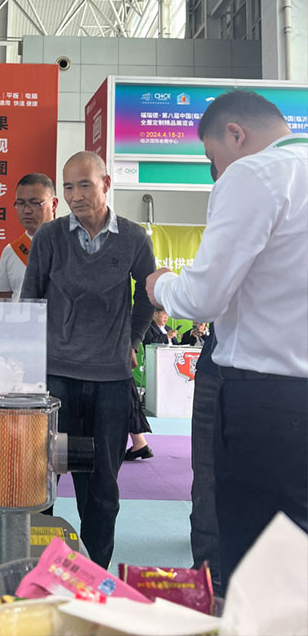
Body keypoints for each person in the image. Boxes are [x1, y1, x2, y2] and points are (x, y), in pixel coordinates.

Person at [146, 90, 308, 590]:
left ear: (235, 134)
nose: (215, 173)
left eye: (212, 159)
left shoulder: (255, 173)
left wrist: (160, 285)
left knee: (255, 564)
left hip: (267, 403)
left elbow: (202, 298)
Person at [21, 150, 155, 568]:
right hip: (54, 378)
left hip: (112, 381)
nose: (76, 195)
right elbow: (30, 299)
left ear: (106, 184)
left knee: (101, 488)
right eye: (68, 187)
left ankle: (95, 572)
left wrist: (132, 339)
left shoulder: (134, 237)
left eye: (84, 185)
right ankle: (36, 569)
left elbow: (148, 295)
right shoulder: (49, 237)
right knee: (39, 480)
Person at [189, 327, 223, 597]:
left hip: (278, 377)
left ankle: (208, 580)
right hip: (214, 368)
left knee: (206, 482)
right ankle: (207, 579)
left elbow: (202, 304)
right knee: (205, 483)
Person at [0, 173, 58, 300]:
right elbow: (3, 303)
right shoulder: (11, 251)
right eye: (20, 203)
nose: (27, 210)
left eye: (35, 203)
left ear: (54, 204)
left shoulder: (70, 245)